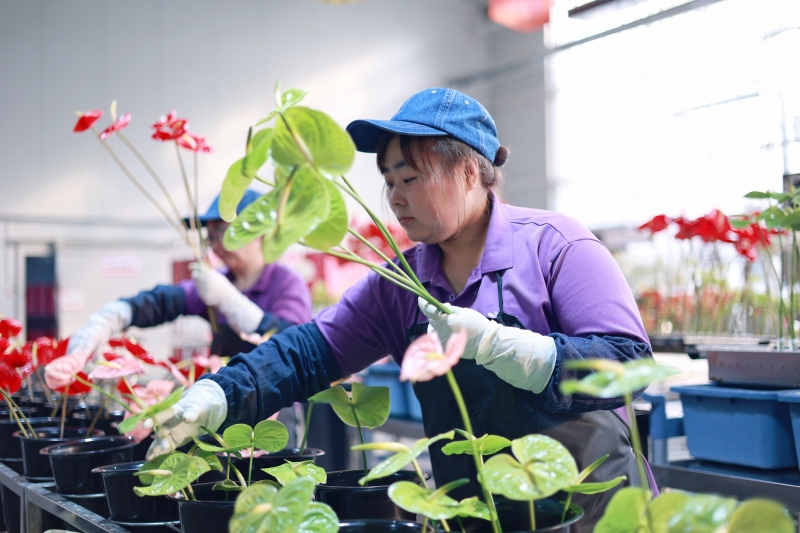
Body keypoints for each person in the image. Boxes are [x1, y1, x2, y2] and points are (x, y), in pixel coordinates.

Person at [145, 89, 653, 531]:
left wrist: (518, 351)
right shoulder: (401, 283)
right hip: (473, 514)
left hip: (594, 512)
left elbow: (629, 361)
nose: (394, 197)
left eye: (409, 178)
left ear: (469, 172)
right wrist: (221, 392)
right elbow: (309, 352)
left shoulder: (555, 246)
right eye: (388, 181)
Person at [47, 190, 313, 441]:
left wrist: (230, 300)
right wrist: (108, 319)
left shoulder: (285, 284)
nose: (215, 244)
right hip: (224, 404)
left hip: (273, 414)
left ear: (259, 228)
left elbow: (295, 347)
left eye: (222, 230)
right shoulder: (218, 283)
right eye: (210, 235)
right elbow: (161, 302)